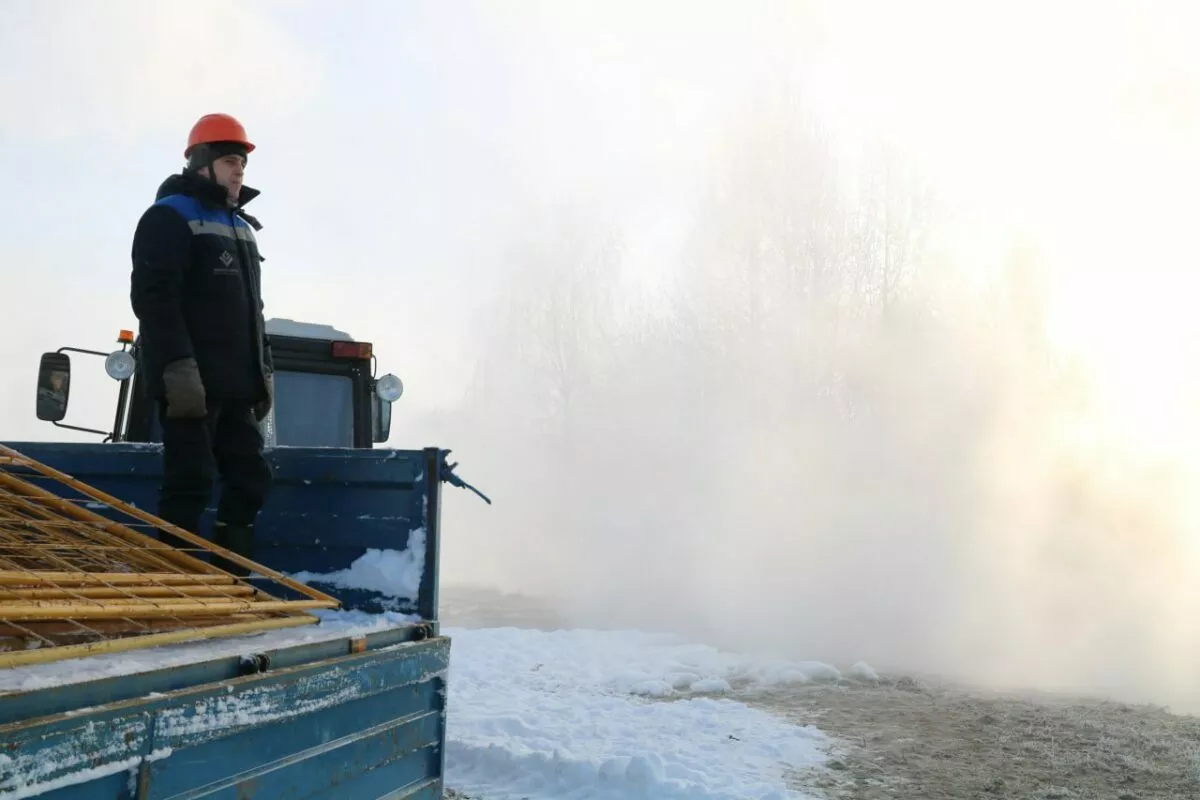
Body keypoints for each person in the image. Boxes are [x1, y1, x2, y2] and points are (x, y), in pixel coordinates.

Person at [129, 113, 274, 576]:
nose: (239, 172)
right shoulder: (168, 216)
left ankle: (231, 578)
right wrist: (177, 368)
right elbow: (154, 298)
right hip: (190, 383)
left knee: (250, 479)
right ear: (202, 164)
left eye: (242, 165)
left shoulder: (242, 229)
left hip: (236, 387)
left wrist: (262, 373)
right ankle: (176, 584)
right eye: (231, 161)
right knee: (190, 481)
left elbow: (254, 312)